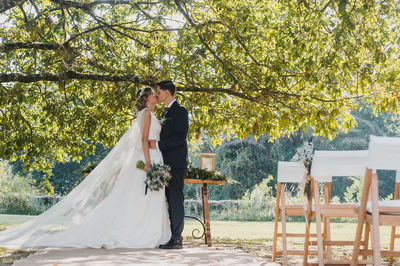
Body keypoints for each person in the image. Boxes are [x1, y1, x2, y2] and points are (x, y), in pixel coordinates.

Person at [0, 87, 171, 249]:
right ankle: (137, 231)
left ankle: (147, 230)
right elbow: (143, 139)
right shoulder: (146, 113)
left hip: (156, 157)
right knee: (141, 195)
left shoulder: (152, 114)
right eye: (152, 93)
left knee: (148, 196)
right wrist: (148, 162)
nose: (156, 95)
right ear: (146, 98)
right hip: (147, 158)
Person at [149, 80, 189, 249]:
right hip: (165, 163)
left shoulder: (180, 111)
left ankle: (177, 238)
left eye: (159, 91)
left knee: (175, 199)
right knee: (169, 199)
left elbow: (180, 137)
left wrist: (157, 145)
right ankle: (172, 236)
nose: (157, 94)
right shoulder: (165, 111)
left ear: (167, 92)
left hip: (177, 163)